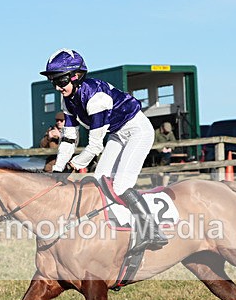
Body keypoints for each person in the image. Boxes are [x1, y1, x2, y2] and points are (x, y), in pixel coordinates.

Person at [41, 48, 168, 252]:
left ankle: (153, 231)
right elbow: (68, 138)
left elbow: (95, 146)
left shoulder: (95, 98)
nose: (57, 87)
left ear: (76, 76)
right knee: (100, 179)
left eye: (61, 81)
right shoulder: (68, 100)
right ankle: (117, 227)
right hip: (118, 134)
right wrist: (58, 168)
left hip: (138, 132)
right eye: (53, 81)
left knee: (121, 185)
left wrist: (73, 165)